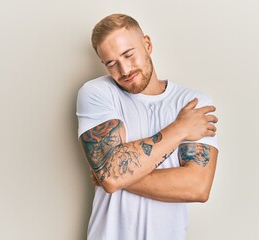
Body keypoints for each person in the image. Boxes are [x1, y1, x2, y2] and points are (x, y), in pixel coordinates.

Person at [76, 13, 219, 240]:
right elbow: (111, 176)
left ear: (147, 44)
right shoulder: (97, 93)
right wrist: (181, 128)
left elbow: (198, 187)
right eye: (111, 64)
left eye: (128, 55)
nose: (124, 70)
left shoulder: (193, 102)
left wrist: (114, 175)